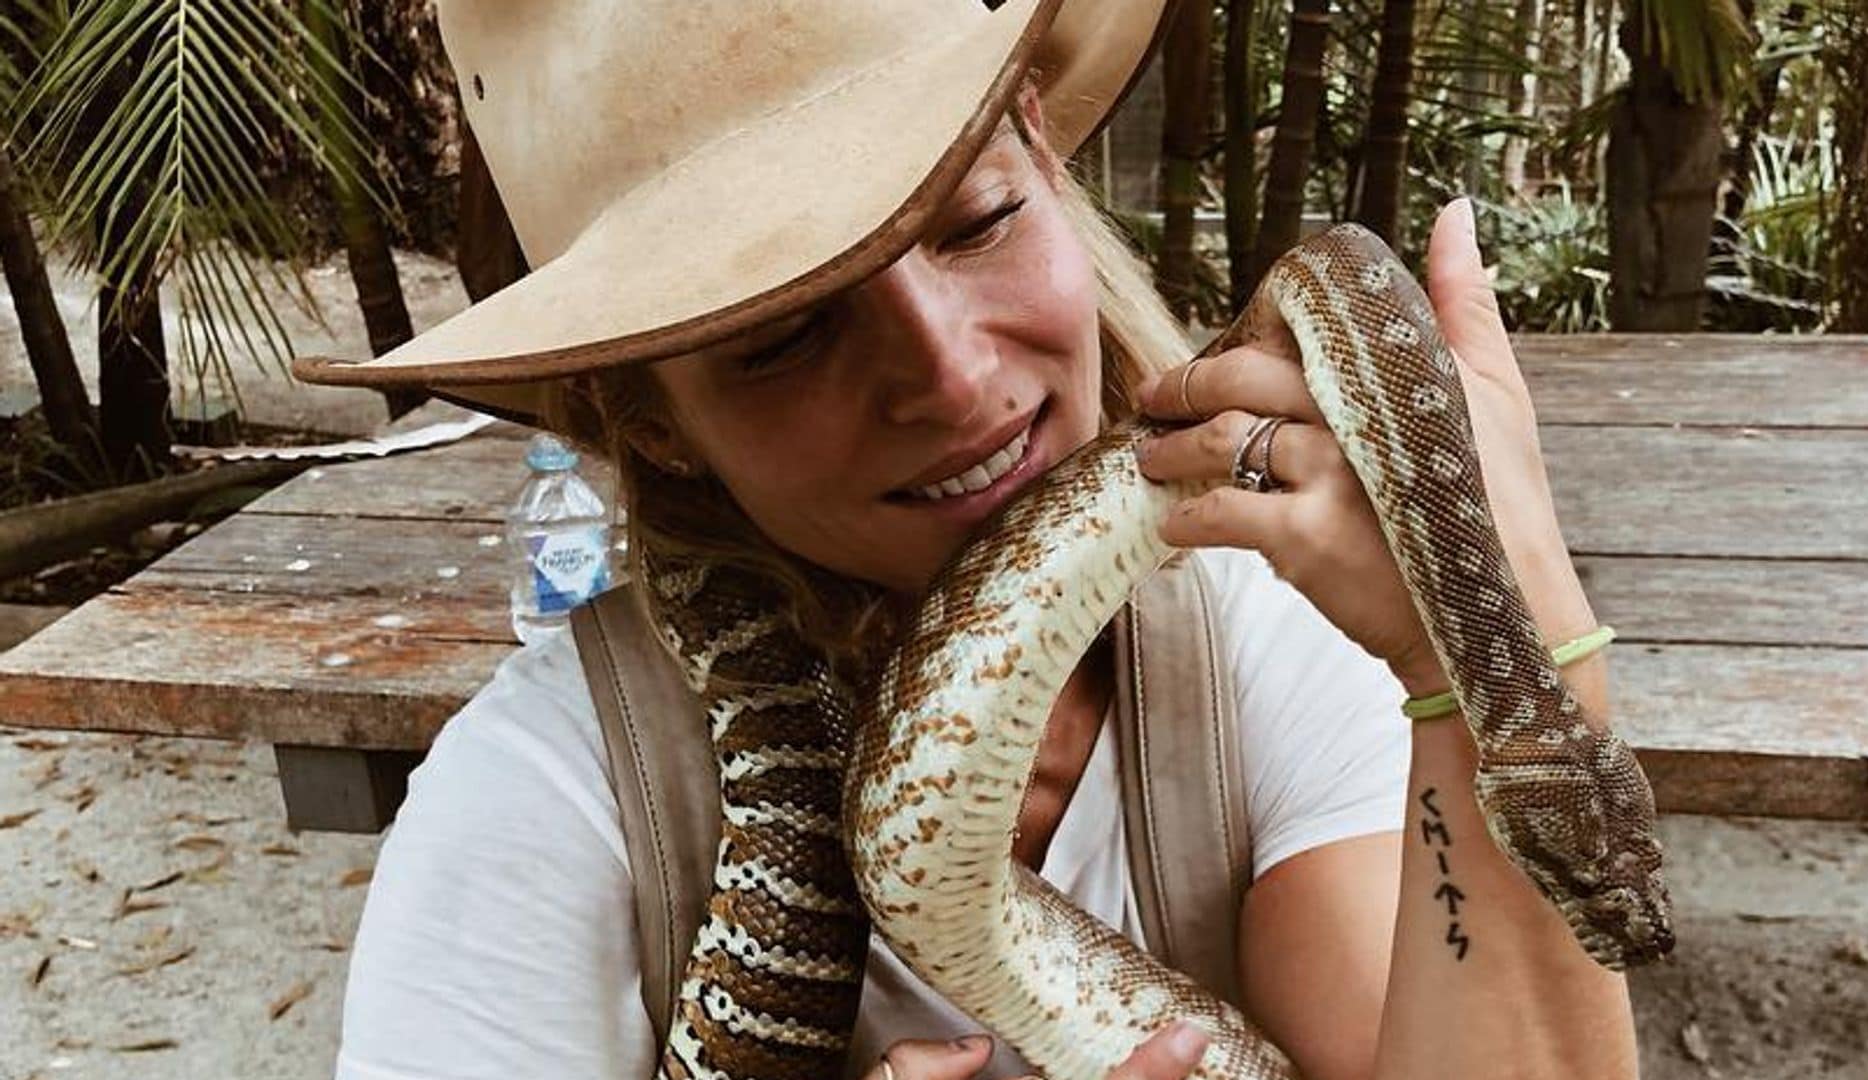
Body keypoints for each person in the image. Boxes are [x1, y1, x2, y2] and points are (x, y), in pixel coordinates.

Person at [294, 1, 1640, 1078]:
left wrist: (1513, 650)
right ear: (651, 422)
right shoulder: (545, 805)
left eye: (979, 222)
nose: (947, 376)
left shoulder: (1270, 634)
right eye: (786, 333)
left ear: (1045, 158)